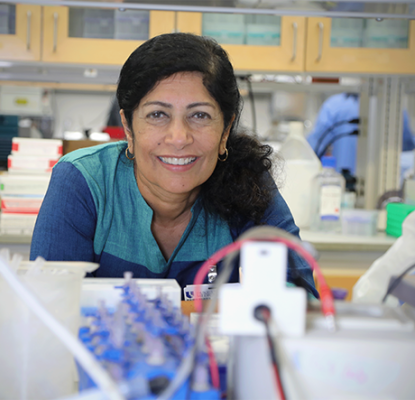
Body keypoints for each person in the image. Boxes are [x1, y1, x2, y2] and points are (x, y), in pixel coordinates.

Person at [30, 33, 317, 297]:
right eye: (157, 114)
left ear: (225, 131)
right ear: (128, 128)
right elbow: (48, 310)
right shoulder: (83, 181)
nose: (179, 138)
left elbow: (300, 305)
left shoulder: (247, 182)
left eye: (200, 116)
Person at [306, 92, 415, 175]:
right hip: (384, 182)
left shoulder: (334, 106)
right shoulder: (396, 108)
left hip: (341, 182)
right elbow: (410, 147)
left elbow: (312, 149)